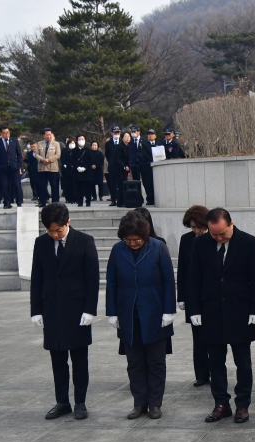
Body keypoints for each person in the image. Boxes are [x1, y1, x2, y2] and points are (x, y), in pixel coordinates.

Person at [188, 208, 255, 424]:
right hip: (210, 311)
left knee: (243, 363)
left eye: (222, 233)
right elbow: (194, 278)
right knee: (216, 363)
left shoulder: (248, 242)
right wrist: (194, 310)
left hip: (240, 311)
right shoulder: (200, 244)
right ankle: (221, 403)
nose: (219, 238)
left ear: (231, 224)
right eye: (214, 234)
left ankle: (242, 404)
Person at [30, 203, 100, 420]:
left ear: (68, 222)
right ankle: (62, 401)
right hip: (51, 308)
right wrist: (36, 310)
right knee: (57, 359)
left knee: (79, 359)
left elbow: (92, 279)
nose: (54, 235)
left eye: (58, 230)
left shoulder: (84, 241)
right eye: (50, 231)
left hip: (77, 310)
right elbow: (37, 277)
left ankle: (80, 402)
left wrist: (90, 310)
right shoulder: (41, 243)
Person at [106, 212, 176, 419]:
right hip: (128, 312)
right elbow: (111, 281)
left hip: (154, 311)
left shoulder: (158, 247)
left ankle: (155, 403)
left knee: (155, 361)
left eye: (136, 239)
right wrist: (112, 312)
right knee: (134, 361)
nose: (132, 243)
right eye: (128, 240)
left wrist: (168, 310)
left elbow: (168, 281)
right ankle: (139, 402)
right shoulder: (118, 250)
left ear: (145, 236)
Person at [177, 205, 211, 387]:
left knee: (212, 337)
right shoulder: (187, 240)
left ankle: (215, 369)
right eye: (193, 227)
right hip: (193, 295)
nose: (197, 230)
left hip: (211, 294)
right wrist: (181, 296)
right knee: (197, 338)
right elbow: (182, 269)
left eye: (200, 226)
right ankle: (201, 374)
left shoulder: (214, 237)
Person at [0, 125, 23, 208]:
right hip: (3, 168)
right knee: (5, 186)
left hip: (14, 167)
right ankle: (7, 203)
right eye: (4, 133)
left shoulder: (14, 141)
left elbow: (19, 154)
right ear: (1, 133)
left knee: (17, 185)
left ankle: (19, 202)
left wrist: (18, 165)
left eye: (7, 132)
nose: (6, 134)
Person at [129, 125, 155, 205]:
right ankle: (138, 199)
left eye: (135, 131)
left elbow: (149, 153)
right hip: (134, 165)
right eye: (132, 132)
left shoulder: (144, 141)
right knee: (136, 182)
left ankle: (150, 198)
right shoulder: (131, 142)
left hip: (144, 164)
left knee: (146, 182)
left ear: (139, 132)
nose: (134, 133)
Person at [37, 128, 62, 206]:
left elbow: (58, 154)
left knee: (54, 185)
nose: (49, 136)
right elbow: (36, 154)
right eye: (47, 135)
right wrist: (42, 159)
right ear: (43, 135)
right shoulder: (39, 143)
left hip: (52, 168)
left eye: (50, 135)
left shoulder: (56, 144)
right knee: (42, 186)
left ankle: (55, 202)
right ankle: (42, 201)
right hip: (42, 167)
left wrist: (49, 160)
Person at [105, 126, 127, 207]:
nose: (116, 134)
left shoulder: (122, 142)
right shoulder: (108, 143)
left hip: (121, 167)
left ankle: (121, 201)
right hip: (112, 167)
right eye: (115, 132)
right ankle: (113, 200)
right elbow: (107, 154)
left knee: (121, 185)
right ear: (111, 133)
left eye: (118, 132)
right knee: (112, 185)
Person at [71, 135, 94, 207]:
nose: (81, 140)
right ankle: (80, 201)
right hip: (77, 172)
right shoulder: (74, 150)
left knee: (87, 188)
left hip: (87, 172)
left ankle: (88, 201)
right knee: (78, 188)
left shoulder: (88, 150)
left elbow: (91, 160)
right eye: (79, 139)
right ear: (77, 141)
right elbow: (72, 160)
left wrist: (85, 167)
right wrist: (77, 167)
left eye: (82, 139)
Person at [61, 136, 75, 204]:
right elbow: (63, 160)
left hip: (75, 169)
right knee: (67, 185)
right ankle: (68, 198)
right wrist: (69, 165)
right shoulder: (64, 150)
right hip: (67, 170)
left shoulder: (76, 150)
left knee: (74, 185)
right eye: (70, 143)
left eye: (73, 143)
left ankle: (74, 198)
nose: (72, 144)